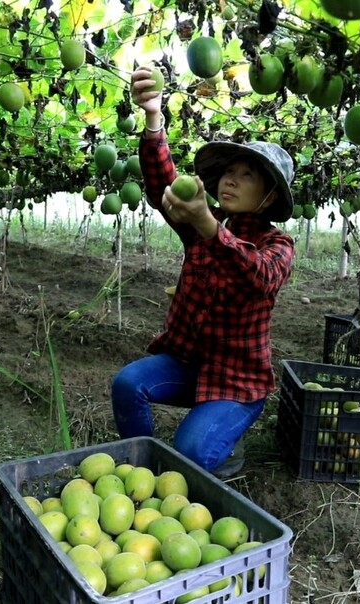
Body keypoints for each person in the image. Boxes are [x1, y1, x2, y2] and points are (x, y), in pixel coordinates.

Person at [111, 66, 296, 478]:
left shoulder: (277, 245)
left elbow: (259, 276)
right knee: (128, 383)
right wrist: (154, 118)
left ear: (267, 199)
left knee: (192, 452)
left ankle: (223, 443)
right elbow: (163, 184)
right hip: (190, 365)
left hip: (237, 383)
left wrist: (209, 228)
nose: (231, 179)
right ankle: (139, 470)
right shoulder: (205, 224)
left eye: (247, 176)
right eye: (229, 172)